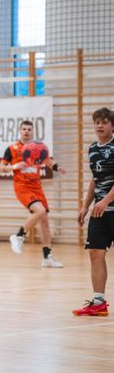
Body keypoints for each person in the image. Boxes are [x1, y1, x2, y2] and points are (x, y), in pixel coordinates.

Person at [0, 120, 66, 267]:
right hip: (22, 187)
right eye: (24, 129)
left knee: (44, 220)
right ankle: (19, 236)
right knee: (39, 211)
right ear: (20, 130)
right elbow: (1, 168)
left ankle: (47, 257)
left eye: (29, 129)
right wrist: (15, 166)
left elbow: (48, 162)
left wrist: (57, 167)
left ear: (32, 131)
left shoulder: (37, 147)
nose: (26, 131)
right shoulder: (12, 149)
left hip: (37, 187)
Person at [73, 108, 114, 316]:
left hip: (109, 206)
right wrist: (85, 205)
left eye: (104, 122)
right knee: (95, 252)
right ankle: (98, 302)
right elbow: (95, 179)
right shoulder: (92, 149)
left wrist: (106, 200)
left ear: (112, 126)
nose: (100, 125)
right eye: (97, 122)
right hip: (99, 210)